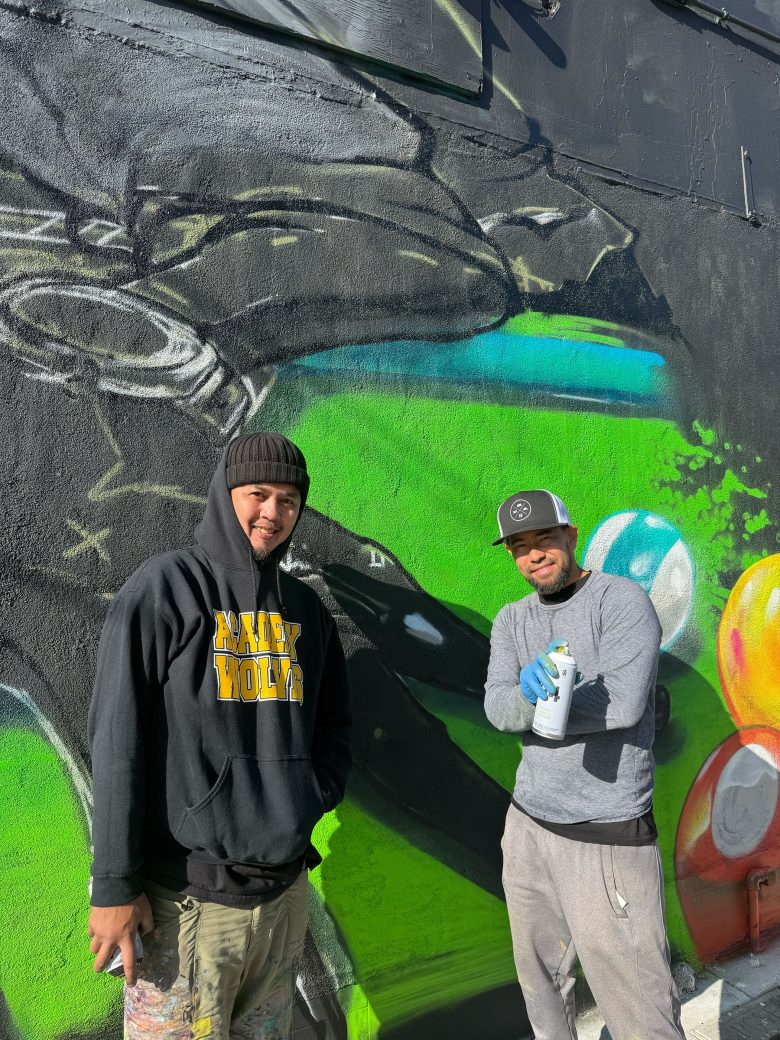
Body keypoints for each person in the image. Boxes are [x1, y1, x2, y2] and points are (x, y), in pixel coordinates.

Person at [87, 432, 351, 1039]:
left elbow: (336, 725)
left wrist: (309, 794)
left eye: (289, 500)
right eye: (258, 494)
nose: (273, 513)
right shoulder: (166, 588)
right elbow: (117, 738)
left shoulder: (306, 611)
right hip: (187, 903)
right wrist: (114, 885)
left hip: (282, 900)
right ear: (225, 494)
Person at [484, 489, 685, 1040]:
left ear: (570, 536)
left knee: (640, 1002)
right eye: (519, 546)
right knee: (541, 983)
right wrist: (526, 700)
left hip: (606, 835)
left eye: (544, 539)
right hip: (528, 827)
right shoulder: (510, 620)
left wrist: (545, 709)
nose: (534, 554)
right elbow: (497, 708)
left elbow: (622, 704)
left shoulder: (621, 602)